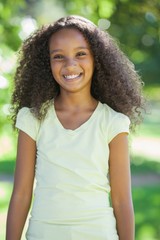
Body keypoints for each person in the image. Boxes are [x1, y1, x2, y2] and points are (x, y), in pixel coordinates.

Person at [6, 15, 145, 240]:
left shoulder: (113, 123)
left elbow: (121, 200)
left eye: (80, 54)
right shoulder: (33, 119)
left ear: (97, 59)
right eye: (58, 56)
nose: (70, 64)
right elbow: (21, 195)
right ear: (46, 64)